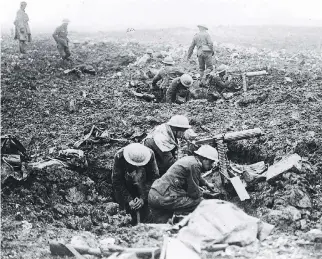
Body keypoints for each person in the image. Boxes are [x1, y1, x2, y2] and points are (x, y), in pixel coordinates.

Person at [148, 145, 219, 223]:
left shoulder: (191, 160)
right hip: (165, 197)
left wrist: (206, 184)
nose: (212, 166)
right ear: (205, 159)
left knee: (162, 227)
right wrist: (203, 193)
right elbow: (194, 193)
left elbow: (195, 176)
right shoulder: (195, 165)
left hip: (154, 194)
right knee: (200, 202)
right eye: (211, 162)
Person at [112, 143, 159, 224]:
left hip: (143, 181)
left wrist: (143, 197)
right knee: (122, 210)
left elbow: (154, 178)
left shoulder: (150, 154)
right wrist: (128, 199)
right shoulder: (120, 156)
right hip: (126, 181)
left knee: (149, 211)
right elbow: (117, 180)